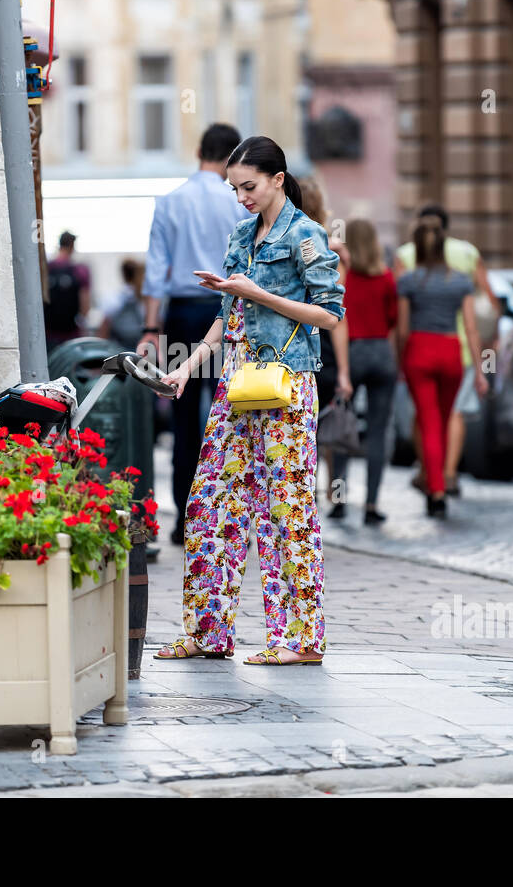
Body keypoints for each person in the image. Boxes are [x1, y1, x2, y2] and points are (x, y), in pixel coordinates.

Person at [155, 136, 345, 666]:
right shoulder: (242, 234)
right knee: (210, 502)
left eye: (250, 186)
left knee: (286, 509)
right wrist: (190, 367)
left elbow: (330, 314)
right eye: (234, 187)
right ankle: (207, 632)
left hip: (286, 386)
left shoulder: (306, 235)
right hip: (236, 383)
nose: (241, 197)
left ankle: (300, 641)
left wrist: (257, 293)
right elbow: (227, 315)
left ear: (278, 179)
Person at [138, 123, 249, 545]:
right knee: (236, 414)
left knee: (185, 420)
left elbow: (156, 271)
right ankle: (232, 520)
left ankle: (187, 520)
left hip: (184, 314)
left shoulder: (170, 202)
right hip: (230, 312)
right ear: (232, 159)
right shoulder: (239, 202)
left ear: (199, 151)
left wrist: (151, 327)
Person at [394, 203, 497, 496]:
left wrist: (400, 362)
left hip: (419, 350)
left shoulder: (408, 280)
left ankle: (434, 487)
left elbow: (402, 329)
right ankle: (447, 475)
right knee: (447, 415)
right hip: (453, 351)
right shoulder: (460, 281)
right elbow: (473, 327)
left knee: (427, 420)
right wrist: (480, 371)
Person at [329, 219, 398, 524]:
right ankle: (371, 505)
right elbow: (393, 317)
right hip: (382, 352)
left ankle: (340, 501)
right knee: (378, 432)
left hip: (352, 352)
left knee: (343, 428)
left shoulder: (344, 277)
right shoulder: (385, 277)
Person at [298, 178, 353, 507]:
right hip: (324, 351)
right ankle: (333, 493)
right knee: (327, 425)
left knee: (302, 429)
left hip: (292, 347)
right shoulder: (331, 251)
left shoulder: (275, 242)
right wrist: (345, 371)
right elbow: (338, 317)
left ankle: (307, 495)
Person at [43, 231, 91, 349]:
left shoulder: (46, 268)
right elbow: (85, 307)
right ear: (72, 246)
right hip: (71, 334)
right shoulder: (79, 271)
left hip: (48, 333)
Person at [100, 259, 146, 351]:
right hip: (142, 350)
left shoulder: (112, 298)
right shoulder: (145, 300)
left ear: (122, 273)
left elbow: (104, 328)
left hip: (117, 351)